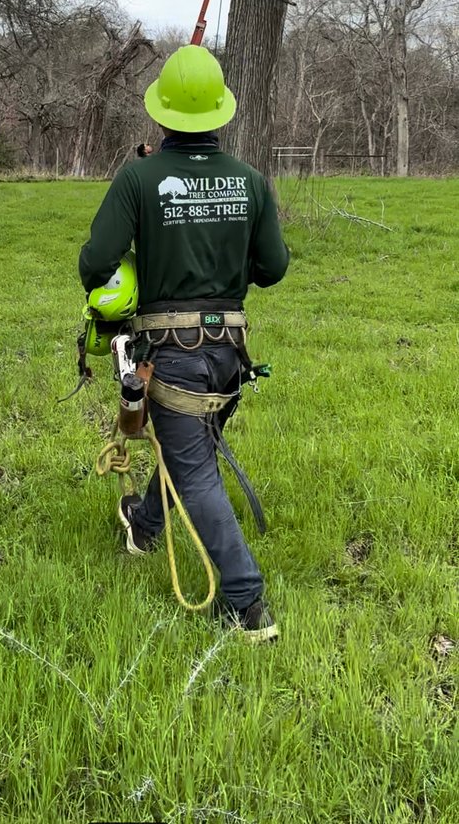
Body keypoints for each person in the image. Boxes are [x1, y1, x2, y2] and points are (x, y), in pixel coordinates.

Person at [78, 45, 289, 641]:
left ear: (162, 114)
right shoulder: (250, 181)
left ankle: (247, 602)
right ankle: (145, 526)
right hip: (229, 355)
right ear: (220, 114)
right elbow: (272, 268)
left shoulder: (139, 177)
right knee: (188, 448)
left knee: (195, 472)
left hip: (169, 354)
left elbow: (95, 261)